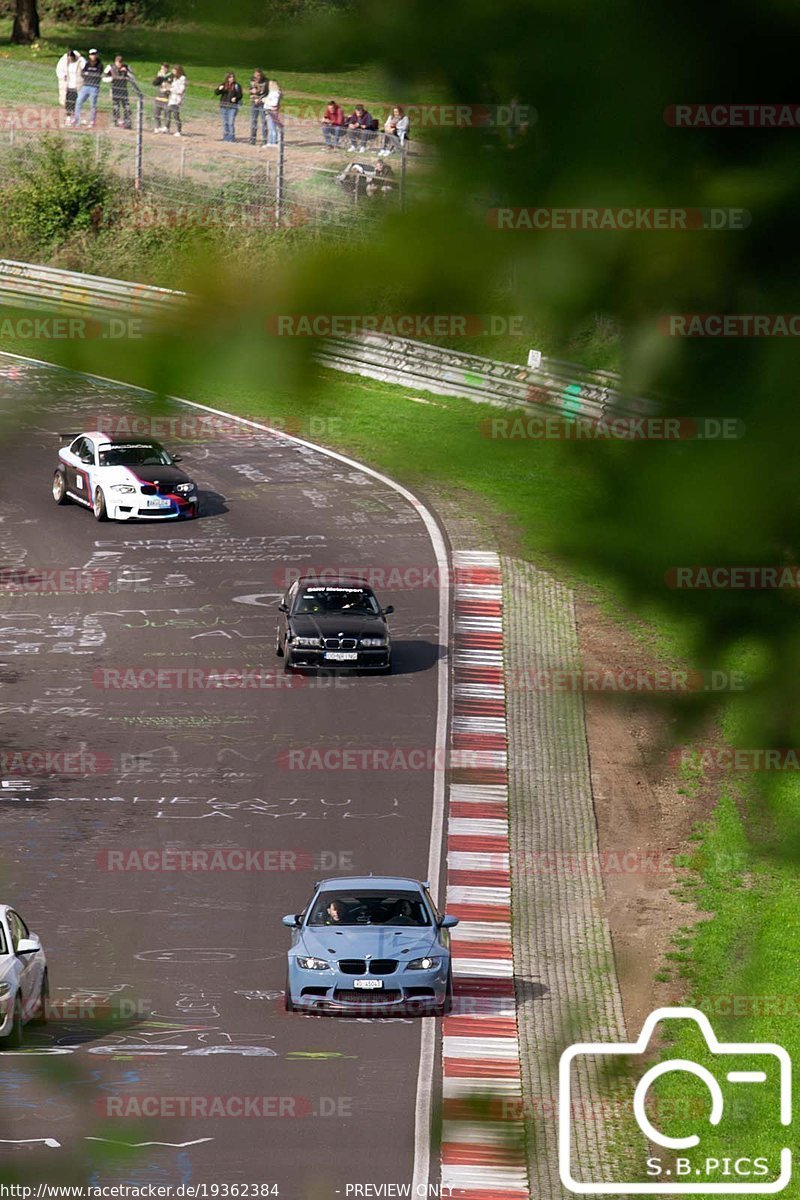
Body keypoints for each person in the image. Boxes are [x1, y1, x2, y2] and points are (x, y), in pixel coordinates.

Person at [72, 48, 103, 128]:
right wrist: (89, 74)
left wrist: (89, 74)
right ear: (89, 56)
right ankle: (76, 119)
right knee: (79, 101)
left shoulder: (99, 64)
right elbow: (83, 73)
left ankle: (92, 120)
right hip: (85, 85)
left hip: (94, 87)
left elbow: (97, 74)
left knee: (93, 104)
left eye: (95, 54)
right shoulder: (87, 64)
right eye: (92, 54)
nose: (93, 56)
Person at [103, 54, 134, 129]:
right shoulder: (110, 67)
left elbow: (133, 78)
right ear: (115, 61)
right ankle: (116, 121)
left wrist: (127, 73)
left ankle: (127, 121)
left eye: (120, 62)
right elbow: (104, 78)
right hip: (114, 89)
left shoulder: (126, 67)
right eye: (118, 62)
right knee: (116, 106)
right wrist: (112, 78)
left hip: (124, 90)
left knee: (126, 106)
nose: (119, 64)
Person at [56, 50, 85, 126]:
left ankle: (76, 117)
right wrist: (63, 76)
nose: (70, 60)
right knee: (68, 102)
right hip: (68, 85)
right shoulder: (64, 62)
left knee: (76, 102)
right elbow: (59, 70)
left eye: (71, 58)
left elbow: (85, 68)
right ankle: (68, 118)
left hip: (77, 85)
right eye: (69, 58)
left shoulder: (80, 61)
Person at [215, 72, 243, 142]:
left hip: (232, 107)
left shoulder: (237, 86)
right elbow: (216, 93)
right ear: (227, 78)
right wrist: (219, 89)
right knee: (225, 122)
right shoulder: (224, 85)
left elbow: (240, 95)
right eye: (230, 77)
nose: (232, 78)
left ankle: (231, 138)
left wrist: (236, 98)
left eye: (233, 77)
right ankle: (225, 137)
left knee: (231, 122)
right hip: (223, 106)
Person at [248, 69, 268, 145]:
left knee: (264, 121)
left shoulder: (265, 82)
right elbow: (252, 91)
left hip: (262, 103)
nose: (257, 77)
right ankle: (252, 140)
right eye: (255, 75)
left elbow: (263, 92)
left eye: (258, 75)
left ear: (261, 75)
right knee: (253, 121)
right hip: (254, 103)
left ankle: (265, 140)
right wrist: (254, 97)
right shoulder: (252, 81)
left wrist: (258, 98)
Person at [166, 65, 186, 137]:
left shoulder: (182, 78)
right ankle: (167, 127)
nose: (173, 72)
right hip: (172, 98)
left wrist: (170, 89)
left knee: (175, 115)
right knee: (167, 111)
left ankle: (178, 130)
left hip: (177, 99)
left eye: (174, 70)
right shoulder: (174, 78)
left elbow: (180, 90)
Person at [152, 62, 172, 132]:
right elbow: (154, 83)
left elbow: (170, 85)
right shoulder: (159, 75)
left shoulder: (170, 76)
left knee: (167, 113)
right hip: (158, 96)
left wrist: (166, 84)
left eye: (163, 68)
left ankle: (166, 127)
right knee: (156, 113)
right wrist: (159, 78)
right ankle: (157, 127)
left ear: (167, 68)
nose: (162, 69)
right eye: (161, 68)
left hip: (166, 97)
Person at [264, 78, 282, 145]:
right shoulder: (271, 92)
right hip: (269, 110)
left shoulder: (276, 93)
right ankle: (270, 141)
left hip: (272, 111)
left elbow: (274, 103)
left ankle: (273, 142)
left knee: (272, 127)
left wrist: (266, 101)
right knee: (270, 127)